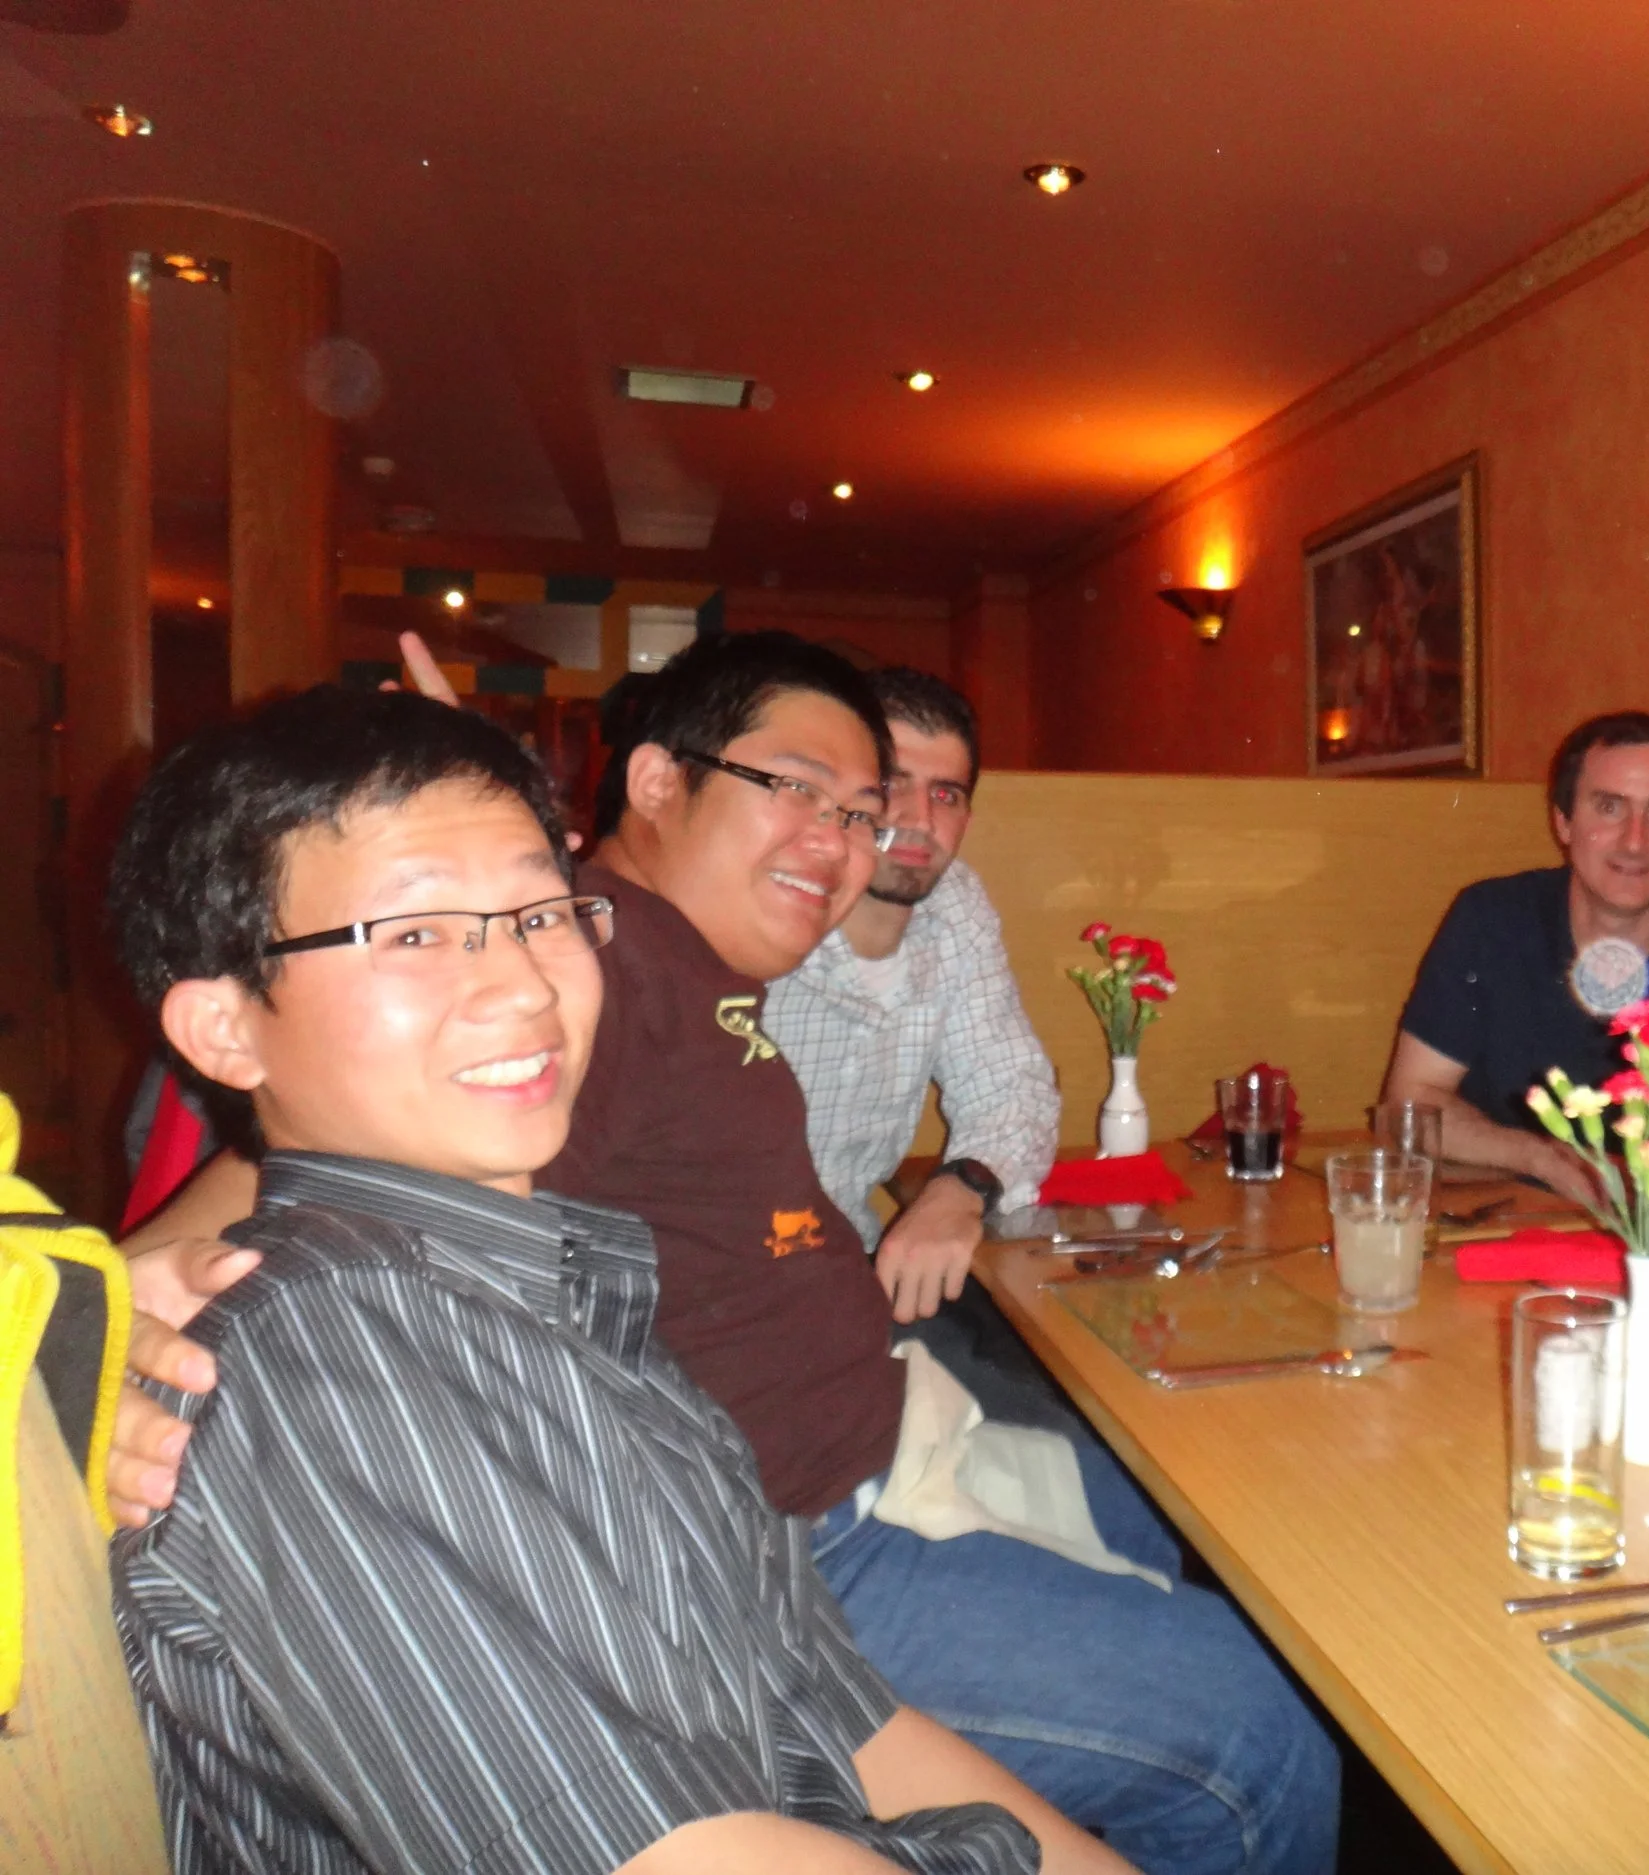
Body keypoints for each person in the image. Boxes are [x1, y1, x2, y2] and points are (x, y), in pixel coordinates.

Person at [111, 635, 1339, 1875]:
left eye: (536, 914)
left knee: (1177, 1513)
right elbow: (321, 1185)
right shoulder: (359, 1358)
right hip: (826, 1532)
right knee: (1257, 1726)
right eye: (420, 934)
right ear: (655, 784)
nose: (525, 987)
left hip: (795, 1527)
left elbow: (820, 1702)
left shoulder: (592, 1253)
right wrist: (97, 1313)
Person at [1381, 711, 1649, 1213]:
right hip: (1496, 1235)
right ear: (1563, 821)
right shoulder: (1491, 922)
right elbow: (1407, 1108)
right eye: (1609, 807)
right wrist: (1545, 1159)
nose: (1635, 840)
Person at [766, 668, 1058, 1322]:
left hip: (854, 1274)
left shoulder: (955, 907)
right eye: (894, 784)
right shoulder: (763, 915)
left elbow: (1014, 1083)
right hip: (722, 1295)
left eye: (946, 794)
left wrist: (962, 1187)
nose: (919, 820)